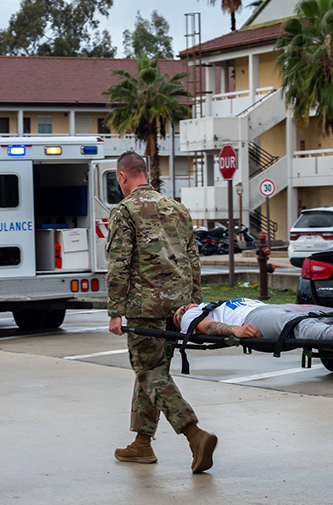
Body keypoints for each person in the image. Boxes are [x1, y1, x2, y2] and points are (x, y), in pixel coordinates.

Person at [106, 151, 217, 474]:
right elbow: (193, 260)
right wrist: (193, 305)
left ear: (123, 177)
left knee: (150, 372)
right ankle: (142, 443)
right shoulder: (178, 209)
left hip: (145, 308)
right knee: (152, 372)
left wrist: (115, 311)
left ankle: (194, 433)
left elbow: (119, 265)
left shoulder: (125, 211)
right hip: (178, 307)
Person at [173, 299, 333, 342]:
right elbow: (204, 327)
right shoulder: (193, 314)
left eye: (183, 307)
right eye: (179, 313)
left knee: (320, 312)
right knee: (295, 324)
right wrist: (233, 330)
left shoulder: (213, 304)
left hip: (269, 307)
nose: (184, 309)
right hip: (251, 318)